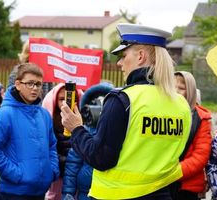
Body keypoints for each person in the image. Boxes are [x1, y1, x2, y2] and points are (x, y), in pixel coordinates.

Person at [60, 23, 192, 199]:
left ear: (140, 56)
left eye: (123, 55)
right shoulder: (181, 104)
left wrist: (76, 128)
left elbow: (100, 158)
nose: (119, 63)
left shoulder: (122, 99)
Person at [0, 63, 59, 200]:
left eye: (38, 84)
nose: (34, 89)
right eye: (30, 84)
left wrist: (51, 171)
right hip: (14, 193)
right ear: (18, 84)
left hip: (40, 191)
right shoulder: (5, 113)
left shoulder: (44, 114)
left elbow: (51, 146)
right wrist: (16, 174)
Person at [62, 83, 113, 200]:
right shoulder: (83, 132)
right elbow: (72, 166)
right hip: (85, 193)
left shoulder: (117, 131)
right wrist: (68, 193)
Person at [173, 71, 212, 200]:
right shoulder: (161, 113)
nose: (176, 91)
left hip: (187, 186)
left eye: (181, 88)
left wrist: (174, 172)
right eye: (173, 86)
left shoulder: (201, 118)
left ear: (190, 91)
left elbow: (201, 155)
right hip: (161, 184)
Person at [42, 83, 83, 200]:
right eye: (61, 99)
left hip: (76, 172)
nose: (66, 103)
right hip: (58, 172)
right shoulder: (50, 120)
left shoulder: (83, 119)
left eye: (70, 99)